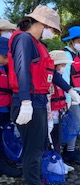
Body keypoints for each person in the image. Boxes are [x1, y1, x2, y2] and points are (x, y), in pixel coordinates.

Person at [8, 5, 80, 185]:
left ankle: (38, 180)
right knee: (32, 148)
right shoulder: (24, 39)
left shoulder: (37, 44)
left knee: (40, 144)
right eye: (52, 29)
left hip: (40, 101)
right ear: (42, 23)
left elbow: (51, 73)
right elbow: (21, 70)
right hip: (29, 101)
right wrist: (25, 102)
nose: (52, 33)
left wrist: (69, 90)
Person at [61, 26, 80, 165]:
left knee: (74, 121)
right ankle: (69, 152)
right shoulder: (67, 55)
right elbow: (66, 77)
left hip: (78, 93)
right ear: (72, 41)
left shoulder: (78, 54)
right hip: (70, 93)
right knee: (75, 121)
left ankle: (69, 148)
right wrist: (69, 97)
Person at [0, 36, 22, 177]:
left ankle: (5, 160)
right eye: (4, 56)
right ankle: (2, 165)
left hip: (5, 106)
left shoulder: (5, 67)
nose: (7, 60)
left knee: (5, 133)